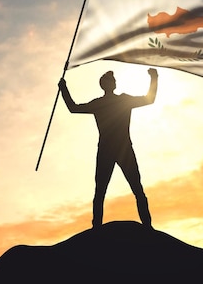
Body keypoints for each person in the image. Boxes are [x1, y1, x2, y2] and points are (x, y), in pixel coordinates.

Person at [58, 68, 158, 229]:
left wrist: (64, 89)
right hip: (115, 149)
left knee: (132, 188)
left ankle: (146, 225)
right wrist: (64, 89)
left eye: (112, 81)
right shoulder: (112, 102)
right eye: (110, 81)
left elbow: (149, 99)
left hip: (117, 148)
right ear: (107, 85)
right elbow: (74, 108)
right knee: (105, 190)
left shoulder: (109, 102)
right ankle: (98, 226)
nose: (112, 83)